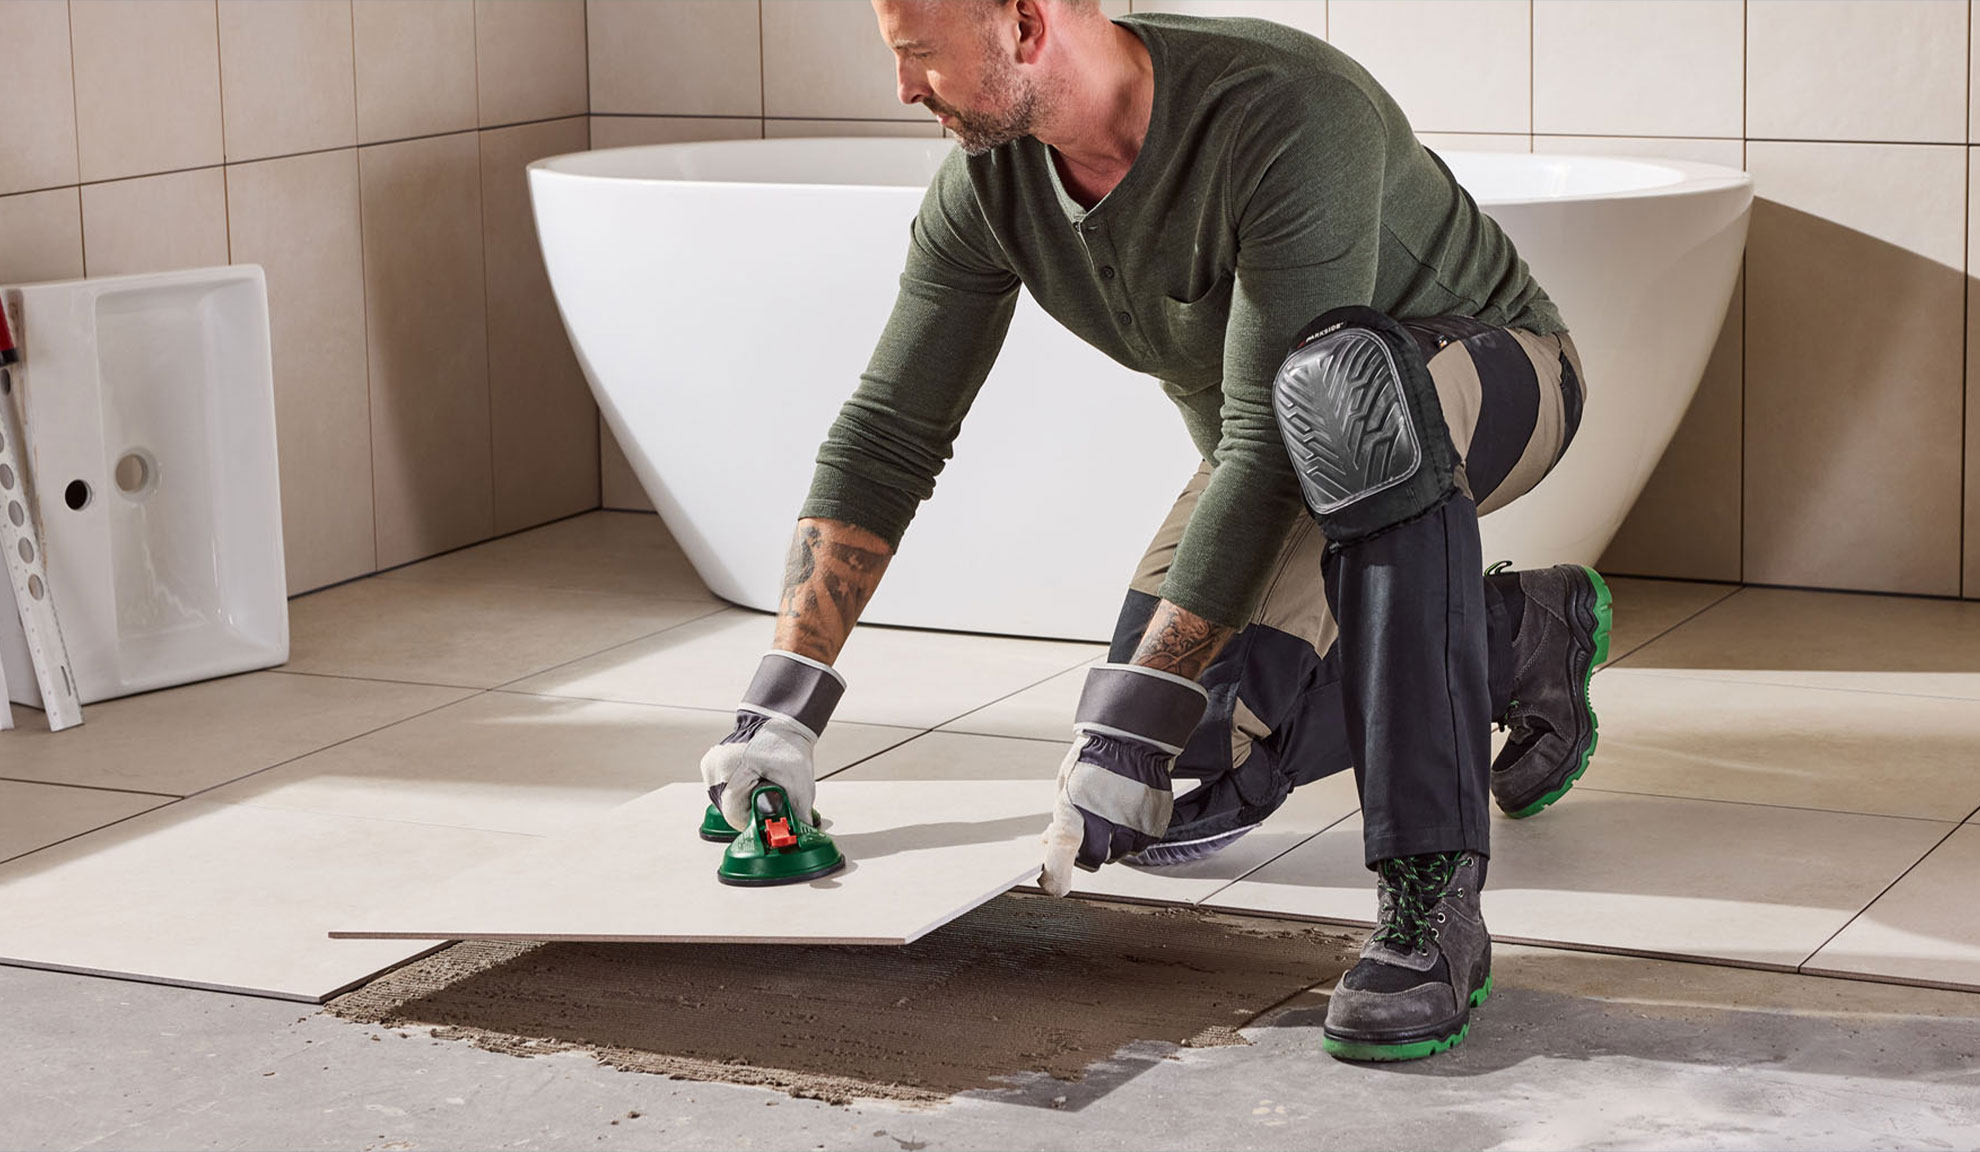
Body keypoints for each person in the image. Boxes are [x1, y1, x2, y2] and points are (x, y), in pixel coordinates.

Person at [699, 0, 1611, 1063]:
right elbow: (889, 433)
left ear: (1027, 26)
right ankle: (1517, 639)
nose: (904, 90)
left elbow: (1275, 441)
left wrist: (1129, 717)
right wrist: (782, 703)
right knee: (1173, 788)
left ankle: (1430, 902)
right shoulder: (991, 188)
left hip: (1499, 379)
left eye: (917, 58)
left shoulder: (1285, 114)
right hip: (1283, 444)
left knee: (1344, 399)